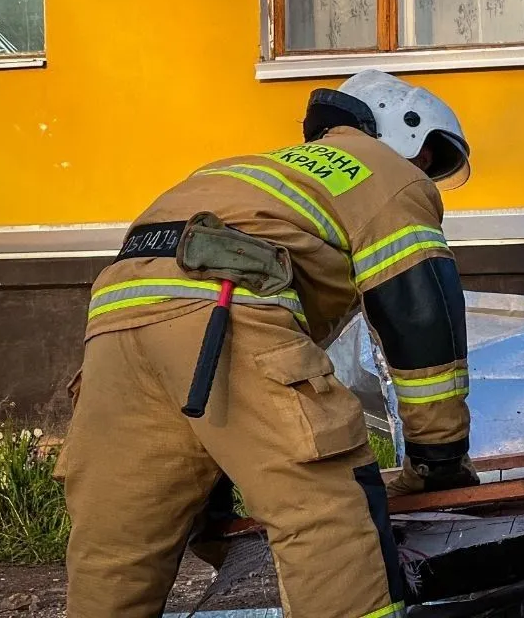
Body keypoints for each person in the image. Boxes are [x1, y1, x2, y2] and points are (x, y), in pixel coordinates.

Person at [56, 69, 479, 618]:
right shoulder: (390, 177)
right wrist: (437, 455)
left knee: (116, 547)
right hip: (226, 312)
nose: (426, 176)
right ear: (403, 134)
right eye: (428, 160)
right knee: (327, 516)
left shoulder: (248, 170)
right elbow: (421, 316)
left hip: (116, 319)